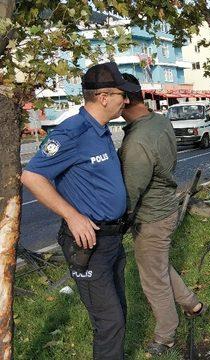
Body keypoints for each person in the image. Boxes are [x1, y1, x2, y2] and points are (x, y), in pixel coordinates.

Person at [21, 62, 140, 359]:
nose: (125, 101)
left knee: (118, 314)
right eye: (120, 95)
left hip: (111, 239)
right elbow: (32, 176)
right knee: (109, 321)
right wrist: (72, 216)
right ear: (103, 97)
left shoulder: (100, 130)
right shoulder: (72, 132)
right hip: (88, 245)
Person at [119, 73, 205, 355]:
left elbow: (131, 193)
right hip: (167, 206)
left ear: (125, 100)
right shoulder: (159, 120)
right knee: (158, 266)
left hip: (151, 218)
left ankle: (166, 334)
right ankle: (192, 304)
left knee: (153, 279)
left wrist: (120, 222)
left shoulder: (136, 143)